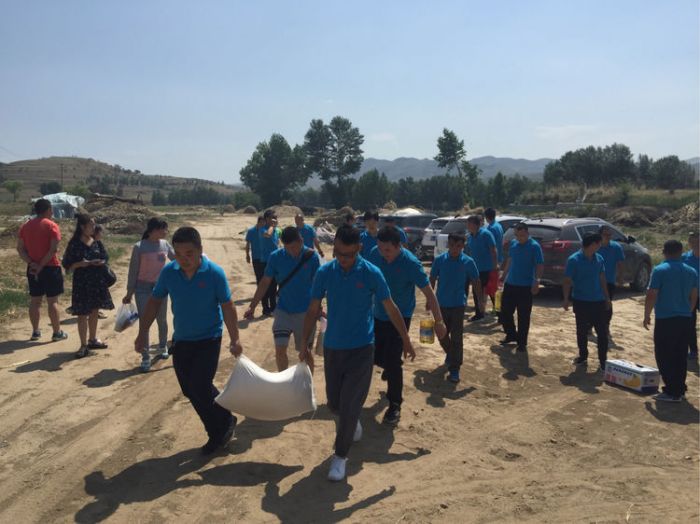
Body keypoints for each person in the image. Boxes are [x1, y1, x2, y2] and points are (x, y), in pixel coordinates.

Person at [298, 225, 412, 482]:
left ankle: (340, 457)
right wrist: (304, 343)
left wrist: (405, 339)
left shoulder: (372, 273)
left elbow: (391, 307)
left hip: (362, 348)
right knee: (335, 404)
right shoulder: (325, 272)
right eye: (338, 253)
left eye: (348, 254)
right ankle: (351, 421)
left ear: (359, 249)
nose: (343, 259)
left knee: (350, 405)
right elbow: (313, 309)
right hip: (333, 347)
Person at [135, 226, 242, 454]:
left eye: (189, 253)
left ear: (200, 250)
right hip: (182, 340)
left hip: (209, 338)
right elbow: (154, 302)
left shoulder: (214, 273)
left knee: (200, 385)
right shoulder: (169, 272)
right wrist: (142, 332)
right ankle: (224, 421)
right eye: (179, 254)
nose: (184, 259)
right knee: (189, 390)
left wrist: (235, 339)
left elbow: (228, 307)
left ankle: (218, 431)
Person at [367, 226, 446, 425]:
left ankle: (395, 404)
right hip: (377, 313)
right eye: (380, 248)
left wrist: (439, 321)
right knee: (375, 357)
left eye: (388, 250)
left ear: (399, 246)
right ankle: (387, 364)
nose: (383, 254)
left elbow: (429, 294)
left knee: (393, 362)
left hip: (401, 317)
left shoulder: (411, 264)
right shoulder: (375, 254)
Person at [244, 226, 321, 371]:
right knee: (280, 351)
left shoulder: (312, 257)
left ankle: (308, 383)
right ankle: (283, 380)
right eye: (288, 248)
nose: (292, 251)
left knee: (305, 353)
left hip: (305, 313)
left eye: (294, 247)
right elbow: (265, 282)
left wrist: (318, 308)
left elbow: (318, 286)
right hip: (282, 311)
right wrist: (252, 306)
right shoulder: (276, 257)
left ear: (301, 240)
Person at [644, 239, 698, 402]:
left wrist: (647, 314)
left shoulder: (660, 270)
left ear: (664, 252)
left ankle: (672, 391)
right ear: (681, 252)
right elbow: (694, 295)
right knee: (680, 355)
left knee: (664, 354)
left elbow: (652, 294)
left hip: (666, 319)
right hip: (685, 318)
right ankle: (679, 388)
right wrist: (688, 310)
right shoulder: (691, 271)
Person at [122, 217, 175, 372]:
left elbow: (177, 260)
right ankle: (145, 357)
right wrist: (129, 292)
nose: (166, 232)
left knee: (162, 320)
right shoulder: (139, 247)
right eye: (164, 229)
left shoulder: (165, 245)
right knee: (145, 323)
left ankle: (163, 346)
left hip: (160, 288)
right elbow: (133, 271)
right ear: (154, 230)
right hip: (142, 290)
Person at [429, 233, 480, 383]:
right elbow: (432, 278)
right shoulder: (440, 260)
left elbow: (476, 281)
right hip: (441, 305)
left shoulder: (468, 262)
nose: (455, 249)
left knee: (457, 337)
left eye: (458, 246)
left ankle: (454, 368)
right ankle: (452, 355)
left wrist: (481, 302)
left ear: (463, 246)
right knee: (441, 334)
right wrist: (429, 299)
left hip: (458, 304)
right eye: (452, 245)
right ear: (448, 245)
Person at [62, 214, 115, 358]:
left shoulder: (96, 242)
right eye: (91, 225)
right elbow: (67, 265)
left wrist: (101, 262)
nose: (94, 227)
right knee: (82, 313)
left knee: (94, 311)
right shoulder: (74, 244)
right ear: (82, 227)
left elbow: (105, 257)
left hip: (96, 281)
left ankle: (92, 339)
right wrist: (80, 264)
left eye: (94, 224)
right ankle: (83, 345)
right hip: (82, 283)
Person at [16, 198, 68, 342]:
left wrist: (32, 263)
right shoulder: (51, 225)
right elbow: (53, 249)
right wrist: (41, 265)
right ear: (48, 210)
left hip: (33, 269)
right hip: (50, 267)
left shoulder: (25, 226)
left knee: (35, 300)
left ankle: (35, 332)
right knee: (52, 301)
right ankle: (57, 332)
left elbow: (20, 249)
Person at [562, 233, 611, 370]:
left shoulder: (599, 259)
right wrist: (566, 299)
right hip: (581, 301)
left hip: (598, 301)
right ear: (593, 244)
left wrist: (607, 297)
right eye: (599, 243)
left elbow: (602, 279)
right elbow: (567, 281)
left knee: (602, 332)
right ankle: (583, 356)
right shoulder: (574, 260)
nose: (600, 246)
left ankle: (603, 361)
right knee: (582, 331)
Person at [499, 223, 544, 353]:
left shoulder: (534, 246)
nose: (520, 238)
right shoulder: (514, 244)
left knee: (523, 316)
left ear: (527, 233)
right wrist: (504, 275)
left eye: (522, 235)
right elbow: (510, 260)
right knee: (505, 312)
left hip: (525, 286)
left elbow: (539, 265)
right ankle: (511, 334)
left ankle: (522, 342)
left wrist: (537, 281)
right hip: (510, 284)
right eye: (517, 235)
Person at [466, 215, 497, 322]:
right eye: (467, 224)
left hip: (488, 269)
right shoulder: (470, 237)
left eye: (469, 224)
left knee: (492, 292)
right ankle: (479, 314)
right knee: (476, 291)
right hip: (476, 269)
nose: (468, 226)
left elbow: (493, 250)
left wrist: (495, 267)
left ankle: (501, 314)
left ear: (476, 224)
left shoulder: (486, 234)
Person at [597, 225, 625, 343]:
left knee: (607, 303)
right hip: (594, 281)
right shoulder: (596, 246)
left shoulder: (616, 247)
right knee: (593, 304)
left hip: (609, 280)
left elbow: (620, 263)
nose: (608, 237)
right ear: (600, 235)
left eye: (610, 235)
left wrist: (620, 277)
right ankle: (589, 326)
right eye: (605, 235)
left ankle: (606, 325)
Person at [259, 210, 281, 315]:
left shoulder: (275, 230)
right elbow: (268, 235)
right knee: (265, 286)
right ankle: (265, 308)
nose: (275, 220)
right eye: (273, 217)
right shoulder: (262, 229)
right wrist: (272, 226)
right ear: (267, 219)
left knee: (273, 286)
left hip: (275, 261)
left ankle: (273, 308)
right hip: (265, 261)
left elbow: (277, 243)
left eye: (275, 218)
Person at [682, 231, 699, 361]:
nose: (695, 244)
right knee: (689, 324)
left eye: (698, 241)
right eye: (692, 241)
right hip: (689, 296)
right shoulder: (684, 258)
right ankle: (693, 351)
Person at [484, 208, 504, 313]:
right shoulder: (499, 226)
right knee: (495, 285)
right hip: (499, 258)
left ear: (486, 217)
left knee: (492, 286)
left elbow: (490, 247)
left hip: (492, 261)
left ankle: (497, 308)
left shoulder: (490, 228)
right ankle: (496, 307)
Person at [245, 216, 265, 283]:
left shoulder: (266, 231)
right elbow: (248, 244)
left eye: (264, 222)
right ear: (258, 222)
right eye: (262, 222)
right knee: (258, 277)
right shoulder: (251, 231)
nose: (263, 224)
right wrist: (247, 255)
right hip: (256, 258)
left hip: (266, 258)